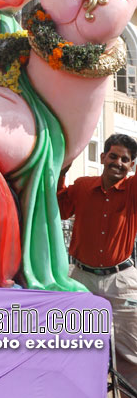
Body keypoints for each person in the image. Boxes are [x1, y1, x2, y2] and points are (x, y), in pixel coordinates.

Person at [58, 133, 137, 395]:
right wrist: (62, 166)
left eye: (125, 160)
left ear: (132, 166)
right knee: (79, 348)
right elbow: (58, 207)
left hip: (122, 283)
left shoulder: (133, 190)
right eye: (113, 156)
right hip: (82, 279)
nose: (118, 162)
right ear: (102, 157)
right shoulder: (82, 186)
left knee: (130, 357)